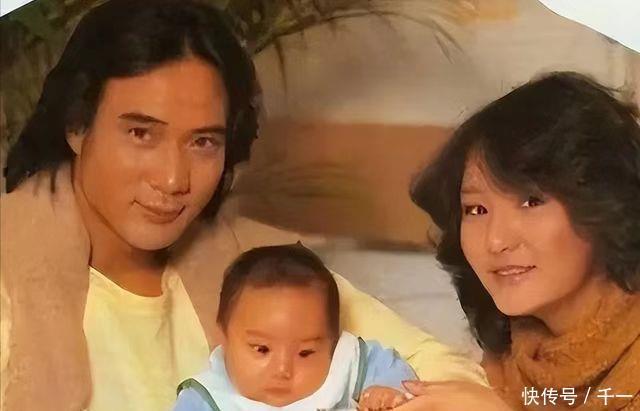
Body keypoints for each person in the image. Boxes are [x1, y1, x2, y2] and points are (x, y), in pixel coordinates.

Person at [0, 0, 487, 410]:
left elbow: (452, 379)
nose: (172, 179)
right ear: (77, 125)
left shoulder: (256, 264)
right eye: (141, 133)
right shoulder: (11, 278)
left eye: (203, 143)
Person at [399, 72, 640, 410]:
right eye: (476, 209)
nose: (496, 241)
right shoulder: (507, 363)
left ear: (606, 200)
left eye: (531, 201)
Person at [173, 243, 416, 411]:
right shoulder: (208, 398)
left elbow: (396, 373)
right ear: (224, 339)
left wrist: (387, 394)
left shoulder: (350, 365)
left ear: (332, 342)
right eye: (262, 349)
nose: (283, 370)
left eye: (305, 353)